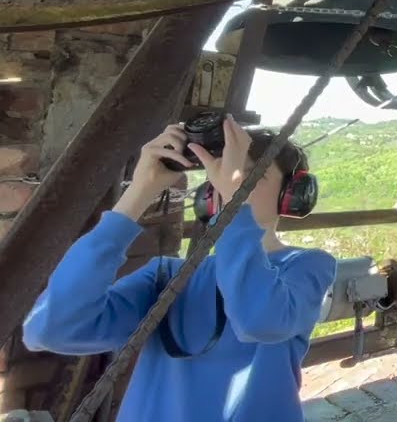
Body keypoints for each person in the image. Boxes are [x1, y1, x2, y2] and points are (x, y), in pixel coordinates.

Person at [23, 116, 337, 422]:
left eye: (250, 176)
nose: (229, 185)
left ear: (291, 195)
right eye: (220, 177)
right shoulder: (167, 276)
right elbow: (52, 330)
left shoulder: (307, 266)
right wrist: (138, 194)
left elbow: (258, 319)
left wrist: (234, 204)